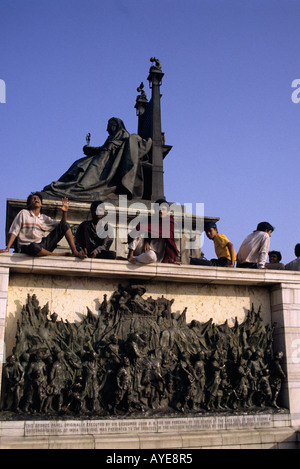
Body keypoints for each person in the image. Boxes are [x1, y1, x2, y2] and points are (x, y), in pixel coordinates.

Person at [42, 117, 152, 201]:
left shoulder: (123, 134)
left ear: (115, 125)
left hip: (107, 164)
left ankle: (80, 187)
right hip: (101, 159)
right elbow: (103, 149)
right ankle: (68, 185)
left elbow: (116, 149)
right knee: (78, 164)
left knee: (88, 171)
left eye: (109, 126)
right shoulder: (112, 137)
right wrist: (89, 149)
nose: (107, 129)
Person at [0, 192, 86, 258]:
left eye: (38, 199)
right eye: (33, 199)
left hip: (42, 245)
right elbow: (14, 231)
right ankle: (57, 255)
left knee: (65, 225)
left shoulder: (44, 218)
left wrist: (64, 212)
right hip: (26, 247)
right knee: (34, 246)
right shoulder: (23, 213)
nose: (36, 199)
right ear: (29, 204)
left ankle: (74, 251)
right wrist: (7, 248)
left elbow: (62, 225)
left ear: (41, 204)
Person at [127, 199, 181, 265]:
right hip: (141, 249)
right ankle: (130, 256)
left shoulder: (170, 223)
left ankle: (135, 259)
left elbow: (170, 242)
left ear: (167, 211)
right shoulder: (147, 220)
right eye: (158, 209)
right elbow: (135, 233)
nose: (160, 211)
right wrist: (146, 241)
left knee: (150, 256)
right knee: (139, 229)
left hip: (155, 254)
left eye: (163, 209)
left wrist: (172, 259)